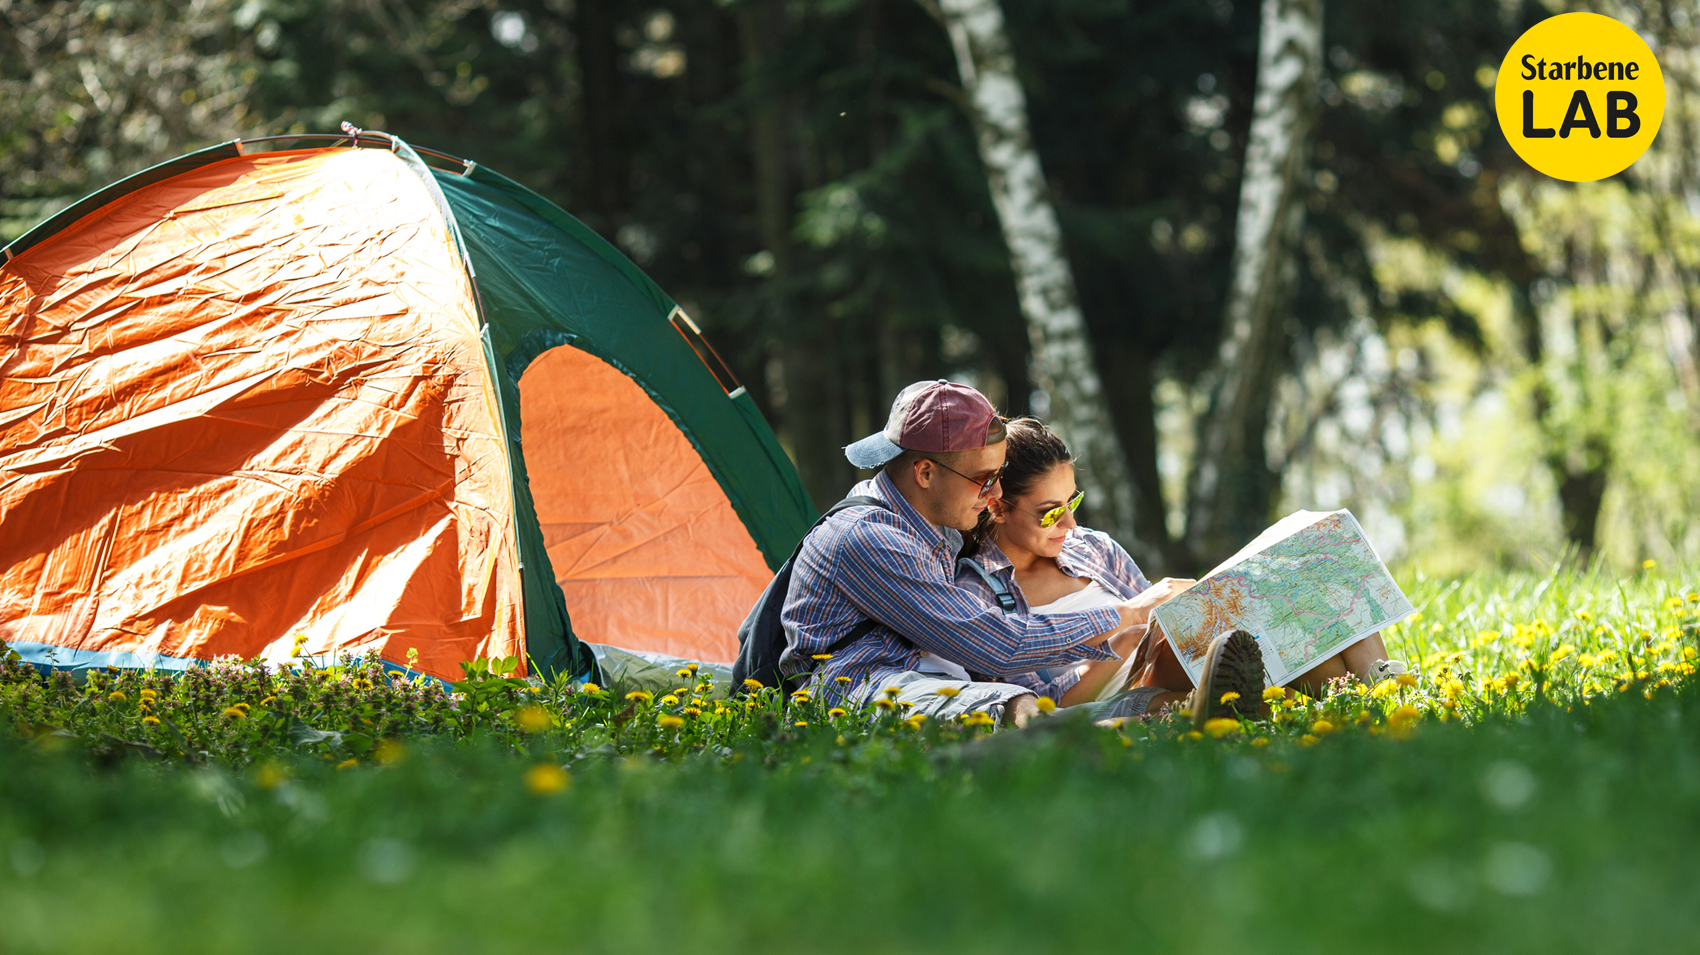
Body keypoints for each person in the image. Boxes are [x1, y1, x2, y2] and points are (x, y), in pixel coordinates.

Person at [779, 380, 1259, 727]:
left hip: (926, 678)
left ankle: (1155, 719)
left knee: (1030, 702)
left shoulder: (931, 527)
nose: (993, 497)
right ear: (924, 473)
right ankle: (1091, 740)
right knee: (1011, 704)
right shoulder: (870, 538)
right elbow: (996, 643)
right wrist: (1126, 616)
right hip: (857, 685)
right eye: (984, 480)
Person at [954, 417, 1408, 721]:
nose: (1070, 524)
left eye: (1073, 502)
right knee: (1304, 639)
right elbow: (1046, 710)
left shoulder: (1093, 549)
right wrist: (1125, 636)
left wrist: (1163, 613)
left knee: (1313, 553)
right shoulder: (980, 593)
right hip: (1127, 696)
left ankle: (1388, 693)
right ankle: (1399, 700)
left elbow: (1163, 616)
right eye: (1050, 513)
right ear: (997, 506)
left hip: (1181, 656)